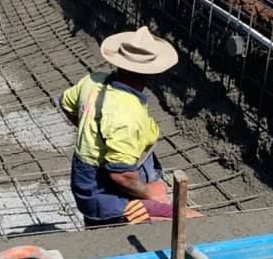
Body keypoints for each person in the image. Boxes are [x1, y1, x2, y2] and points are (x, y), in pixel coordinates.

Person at [60, 26, 200, 226]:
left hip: (87, 182)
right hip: (110, 196)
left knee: (101, 228)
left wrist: (91, 132)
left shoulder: (94, 81)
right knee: (191, 221)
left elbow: (66, 103)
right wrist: (148, 192)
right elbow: (122, 175)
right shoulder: (126, 113)